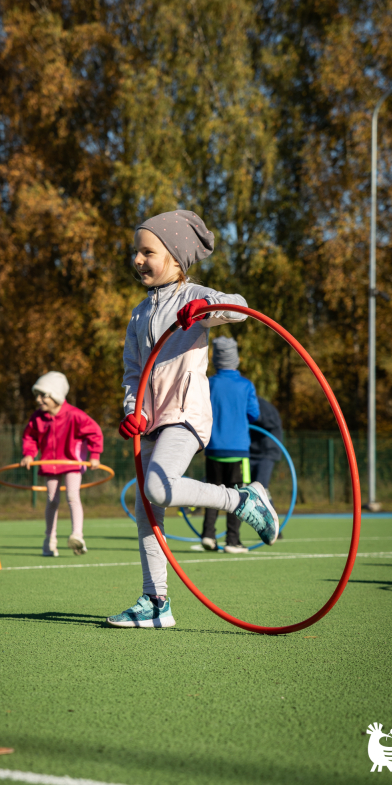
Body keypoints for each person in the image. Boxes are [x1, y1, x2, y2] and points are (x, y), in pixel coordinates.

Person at [107, 209, 279, 629]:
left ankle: (243, 499)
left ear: (177, 257)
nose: (138, 260)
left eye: (147, 251)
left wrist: (206, 307)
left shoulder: (191, 296)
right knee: (147, 507)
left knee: (156, 487)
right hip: (152, 420)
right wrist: (132, 411)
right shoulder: (138, 313)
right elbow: (133, 372)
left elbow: (240, 309)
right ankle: (155, 601)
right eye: (136, 252)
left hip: (183, 413)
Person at [21, 371, 103, 557]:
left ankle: (77, 536)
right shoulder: (37, 418)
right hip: (50, 464)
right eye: (37, 396)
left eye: (43, 395)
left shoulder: (75, 415)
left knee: (73, 496)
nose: (39, 400)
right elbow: (30, 437)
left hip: (72, 463)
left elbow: (95, 433)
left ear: (56, 394)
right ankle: (49, 540)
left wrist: (95, 455)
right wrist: (29, 454)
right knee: (52, 500)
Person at [201, 337, 260, 554]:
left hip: (213, 448)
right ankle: (232, 541)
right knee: (237, 495)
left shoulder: (209, 383)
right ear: (235, 358)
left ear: (216, 359)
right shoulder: (245, 385)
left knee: (212, 494)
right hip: (238, 450)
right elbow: (254, 414)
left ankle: (208, 535)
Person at [250, 397, 283, 534]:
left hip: (267, 452)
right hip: (251, 453)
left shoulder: (263, 406)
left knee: (261, 487)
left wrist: (252, 417)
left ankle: (273, 527)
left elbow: (271, 422)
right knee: (252, 487)